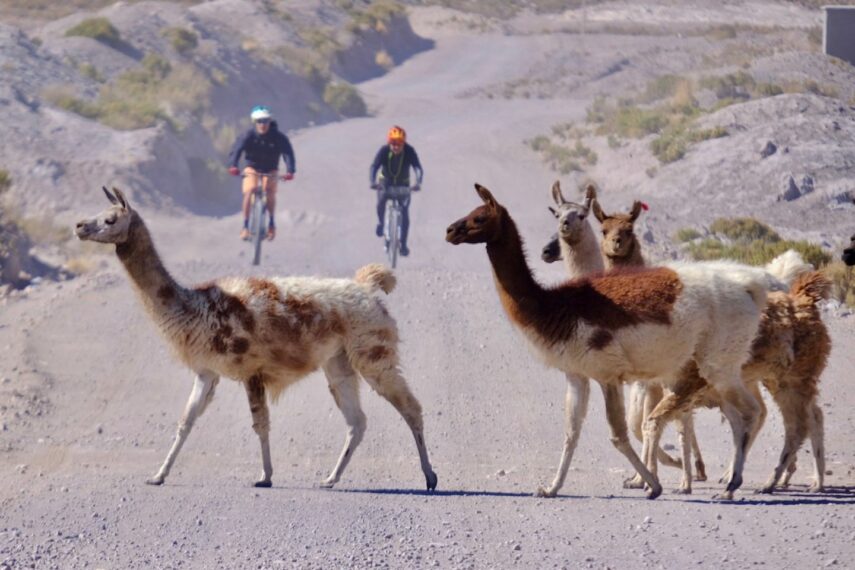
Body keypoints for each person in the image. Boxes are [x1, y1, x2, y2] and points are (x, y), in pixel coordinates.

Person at [228, 105, 296, 241]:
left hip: (271, 168)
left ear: (270, 121)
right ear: (255, 122)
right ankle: (245, 227)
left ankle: (271, 224)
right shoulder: (248, 135)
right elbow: (237, 150)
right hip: (252, 168)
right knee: (250, 190)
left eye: (265, 121)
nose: (262, 124)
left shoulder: (278, 137)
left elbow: (288, 153)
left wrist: (290, 170)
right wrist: (233, 165)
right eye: (259, 121)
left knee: (269, 191)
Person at [369, 125, 423, 257]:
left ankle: (403, 245)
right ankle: (381, 224)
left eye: (399, 143)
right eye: (393, 143)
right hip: (385, 183)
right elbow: (374, 166)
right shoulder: (383, 150)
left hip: (403, 185)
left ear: (403, 143)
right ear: (389, 142)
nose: (396, 146)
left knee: (404, 213)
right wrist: (373, 182)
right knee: (381, 201)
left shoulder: (409, 151)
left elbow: (417, 167)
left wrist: (418, 182)